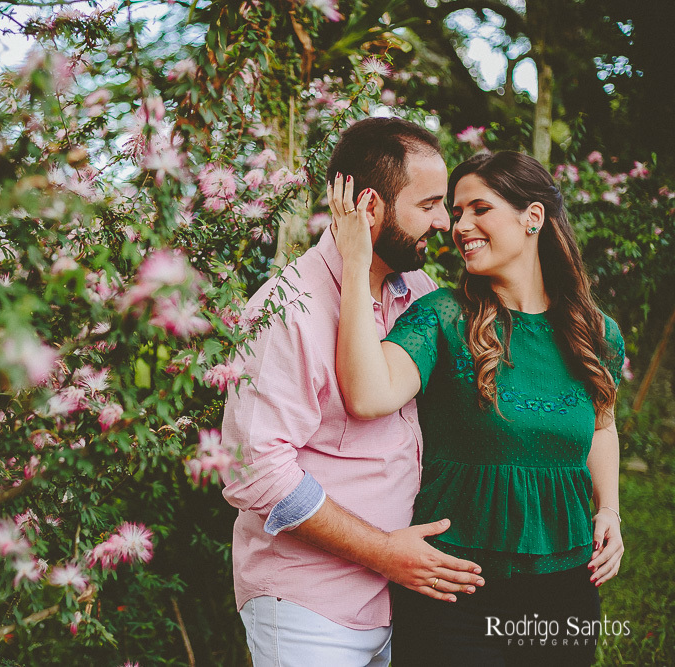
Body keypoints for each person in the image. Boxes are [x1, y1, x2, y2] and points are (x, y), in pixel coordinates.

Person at [328, 150, 626, 665]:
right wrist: (355, 265)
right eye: (456, 211)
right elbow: (367, 394)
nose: (460, 225)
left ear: (533, 217)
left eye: (479, 209)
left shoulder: (596, 333)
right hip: (453, 588)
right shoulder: (443, 316)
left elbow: (601, 426)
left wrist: (610, 509)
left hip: (566, 589)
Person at [221, 117, 485, 667]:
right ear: (370, 207)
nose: (444, 222)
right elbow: (256, 471)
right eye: (430, 204)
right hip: (307, 604)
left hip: (394, 600)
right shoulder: (288, 307)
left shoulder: (419, 292)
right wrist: (384, 552)